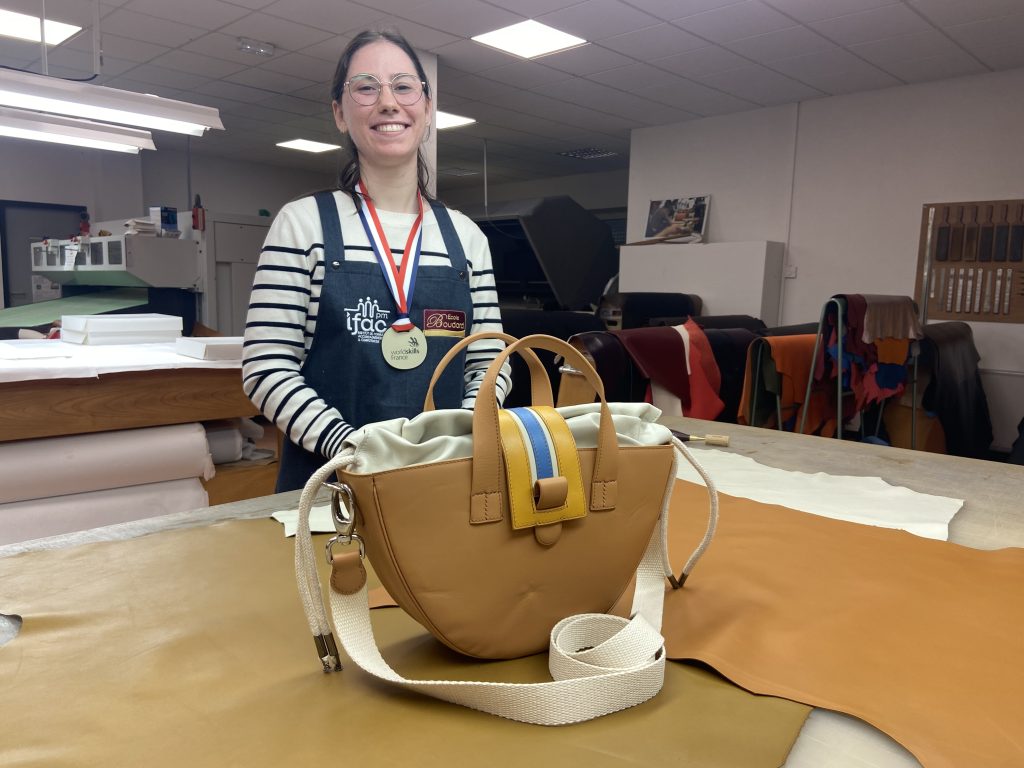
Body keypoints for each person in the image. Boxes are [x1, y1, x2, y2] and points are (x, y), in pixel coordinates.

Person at [242, 29, 511, 492]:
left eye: (404, 86)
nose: (388, 102)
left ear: (427, 108)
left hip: (444, 481)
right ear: (339, 113)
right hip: (330, 486)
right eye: (366, 87)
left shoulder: (467, 238)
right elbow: (266, 367)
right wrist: (353, 449)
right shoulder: (302, 225)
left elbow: (491, 363)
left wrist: (458, 438)